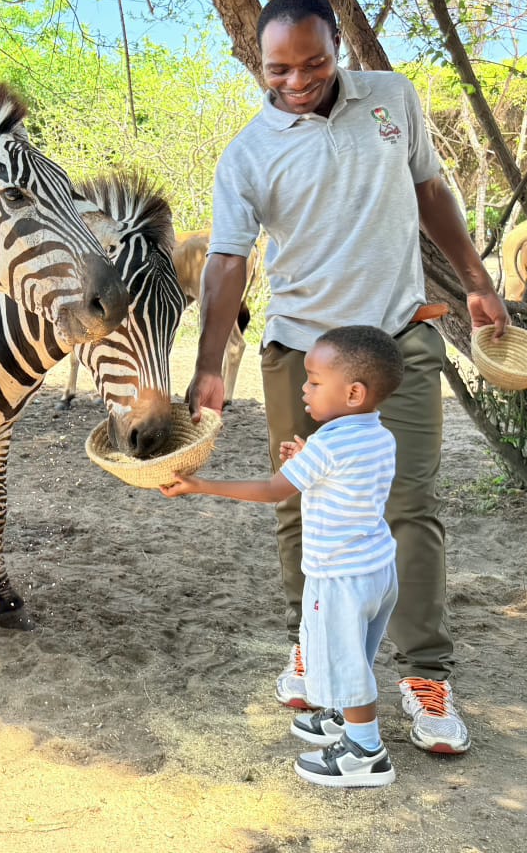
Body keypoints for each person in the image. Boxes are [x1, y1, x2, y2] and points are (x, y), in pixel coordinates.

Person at [185, 0, 508, 756]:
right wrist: (209, 363)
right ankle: (312, 641)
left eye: (313, 62)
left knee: (408, 502)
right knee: (301, 503)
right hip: (301, 351)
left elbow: (431, 191)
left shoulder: (392, 98)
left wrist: (474, 275)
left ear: (339, 48)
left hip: (396, 342)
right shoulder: (250, 151)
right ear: (258, 64)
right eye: (278, 68)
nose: (296, 80)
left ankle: (425, 672)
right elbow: (228, 259)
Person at [164, 325, 405, 787]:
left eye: (314, 381)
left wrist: (200, 484)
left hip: (338, 577)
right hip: (377, 571)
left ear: (353, 392)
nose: (304, 388)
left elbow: (275, 490)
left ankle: (365, 752)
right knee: (354, 651)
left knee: (344, 659)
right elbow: (343, 480)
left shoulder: (330, 445)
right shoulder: (378, 437)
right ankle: (342, 717)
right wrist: (308, 457)